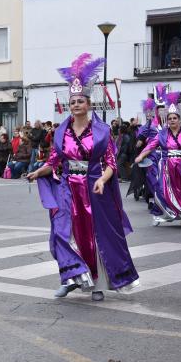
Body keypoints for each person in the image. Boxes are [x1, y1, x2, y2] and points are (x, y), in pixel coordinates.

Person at [27, 53, 139, 301]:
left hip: (93, 189)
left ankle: (96, 284)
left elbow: (110, 162)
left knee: (93, 237)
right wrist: (38, 171)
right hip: (68, 188)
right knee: (62, 233)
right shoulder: (61, 132)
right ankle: (70, 278)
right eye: (73, 101)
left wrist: (102, 179)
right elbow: (54, 161)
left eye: (80, 101)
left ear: (88, 104)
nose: (76, 104)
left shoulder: (102, 131)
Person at [135, 83, 181, 226]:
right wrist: (141, 156)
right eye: (170, 118)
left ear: (179, 119)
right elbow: (151, 145)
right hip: (167, 167)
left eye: (174, 118)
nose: (172, 120)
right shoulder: (162, 134)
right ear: (167, 120)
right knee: (162, 190)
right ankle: (166, 213)